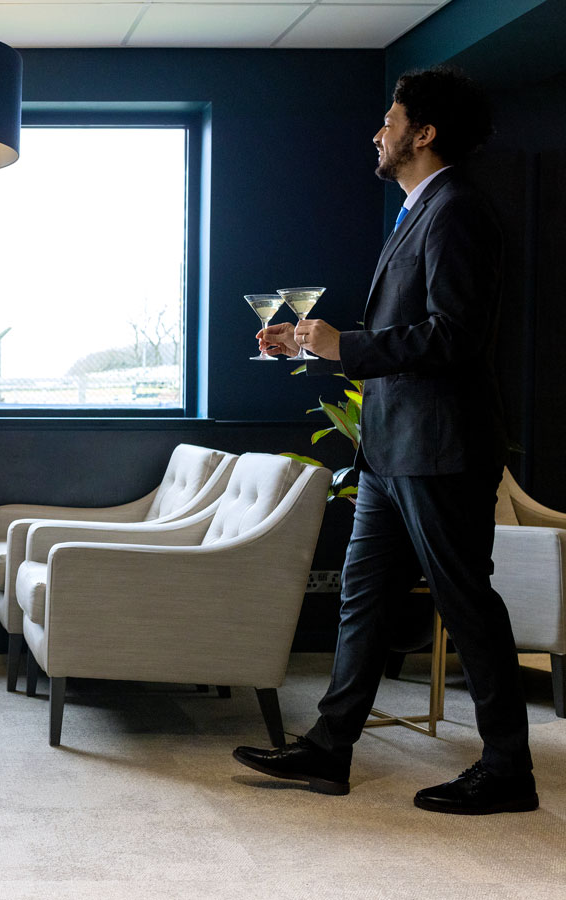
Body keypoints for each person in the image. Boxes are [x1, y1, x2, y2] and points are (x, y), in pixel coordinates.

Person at [234, 66, 537, 814]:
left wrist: (350, 346)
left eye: (390, 120)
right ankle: (330, 748)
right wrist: (310, 347)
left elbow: (455, 338)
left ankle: (508, 771)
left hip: (441, 447)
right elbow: (406, 335)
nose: (378, 132)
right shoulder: (415, 213)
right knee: (361, 601)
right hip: (391, 449)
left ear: (424, 133)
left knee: (467, 605)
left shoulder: (457, 209)